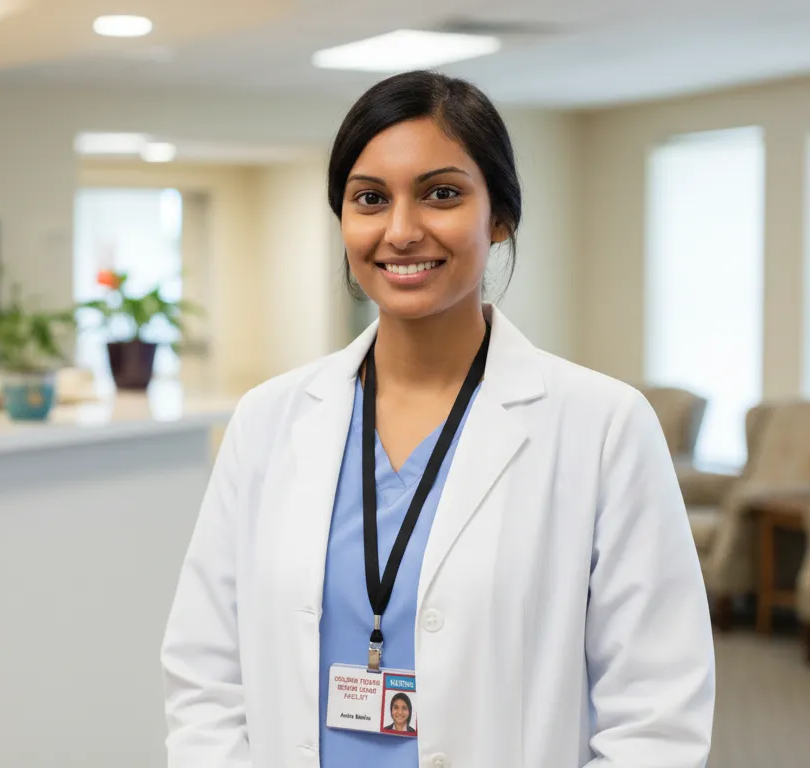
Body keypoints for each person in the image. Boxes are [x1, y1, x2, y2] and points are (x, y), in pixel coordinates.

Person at [162, 70, 715, 767]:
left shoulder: (602, 427)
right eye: (370, 199)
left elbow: (657, 713)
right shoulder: (268, 421)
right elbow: (205, 671)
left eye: (441, 194)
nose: (401, 230)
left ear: (501, 215)